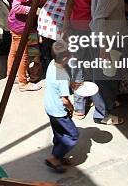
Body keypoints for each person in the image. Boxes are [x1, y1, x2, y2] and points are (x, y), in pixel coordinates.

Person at [62, 0, 109, 120]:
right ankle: (99, 102)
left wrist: (66, 24)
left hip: (76, 26)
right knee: (96, 65)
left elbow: (70, 2)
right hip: (95, 28)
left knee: (78, 64)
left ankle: (80, 107)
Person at [87, 0, 128, 126]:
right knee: (106, 77)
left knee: (109, 75)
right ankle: (101, 113)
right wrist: (103, 47)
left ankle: (107, 103)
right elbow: (100, 17)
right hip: (107, 39)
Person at [37, 0, 90, 73]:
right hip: (58, 20)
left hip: (45, 18)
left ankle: (48, 72)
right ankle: (58, 76)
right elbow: (71, 2)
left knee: (48, 53)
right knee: (60, 55)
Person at [7, 0, 44, 91]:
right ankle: (23, 82)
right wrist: (34, 10)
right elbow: (16, 7)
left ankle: (11, 76)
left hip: (17, 23)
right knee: (23, 54)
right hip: (20, 24)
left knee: (14, 51)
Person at [44, 40, 78, 174]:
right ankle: (54, 157)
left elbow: (57, 86)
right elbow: (65, 100)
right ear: (65, 58)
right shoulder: (63, 76)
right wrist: (71, 108)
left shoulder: (52, 64)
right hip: (59, 111)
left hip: (49, 106)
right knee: (72, 136)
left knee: (59, 133)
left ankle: (58, 156)